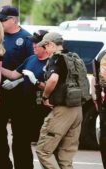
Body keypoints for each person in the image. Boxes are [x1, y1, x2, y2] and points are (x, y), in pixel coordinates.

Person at [0, 5, 34, 169]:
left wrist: (18, 81)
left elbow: (32, 66)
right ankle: (3, 165)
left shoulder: (27, 39)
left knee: (21, 136)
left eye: (3, 20)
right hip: (0, 92)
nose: (0, 23)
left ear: (13, 20)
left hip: (20, 95)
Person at [36, 32, 83, 169]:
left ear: (50, 44)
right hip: (77, 109)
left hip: (63, 110)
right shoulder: (73, 57)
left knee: (43, 151)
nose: (44, 50)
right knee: (65, 158)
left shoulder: (56, 58)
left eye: (45, 46)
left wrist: (45, 97)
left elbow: (53, 80)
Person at [0, 30, 50, 143]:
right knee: (21, 141)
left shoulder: (51, 63)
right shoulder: (31, 59)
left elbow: (52, 88)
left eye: (36, 43)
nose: (33, 46)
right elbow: (13, 75)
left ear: (46, 45)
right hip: (26, 108)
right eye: (33, 43)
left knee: (43, 146)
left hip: (43, 110)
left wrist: (36, 81)